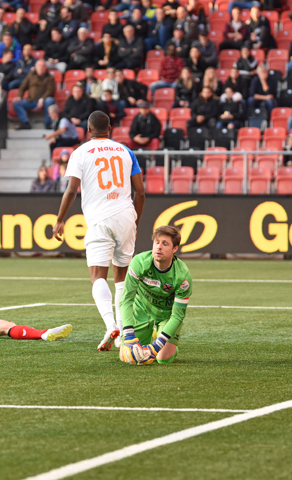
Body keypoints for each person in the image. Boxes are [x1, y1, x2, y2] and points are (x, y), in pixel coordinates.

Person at [54, 111, 146, 352]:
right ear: (110, 128)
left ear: (88, 130)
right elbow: (140, 192)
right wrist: (135, 222)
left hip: (99, 219)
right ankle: (122, 335)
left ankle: (110, 325)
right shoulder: (126, 151)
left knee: (97, 277)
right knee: (122, 280)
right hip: (126, 216)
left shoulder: (80, 152)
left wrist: (60, 219)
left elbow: (72, 190)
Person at [118, 225, 192, 365]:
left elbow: (178, 316)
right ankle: (151, 333)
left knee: (163, 359)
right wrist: (128, 334)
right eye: (157, 242)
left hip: (166, 316)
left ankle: (162, 337)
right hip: (142, 310)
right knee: (127, 357)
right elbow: (126, 300)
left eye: (165, 244)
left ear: (175, 249)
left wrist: (156, 346)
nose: (159, 247)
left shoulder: (183, 276)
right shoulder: (139, 262)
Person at [13, 60, 55, 128]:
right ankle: (25, 123)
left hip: (44, 101)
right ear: (35, 67)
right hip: (31, 100)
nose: (41, 67)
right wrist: (19, 96)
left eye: (43, 66)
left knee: (50, 100)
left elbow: (50, 91)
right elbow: (22, 87)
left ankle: (48, 123)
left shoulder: (50, 77)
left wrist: (42, 99)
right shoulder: (30, 75)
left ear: (46, 67)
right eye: (39, 65)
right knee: (17, 103)